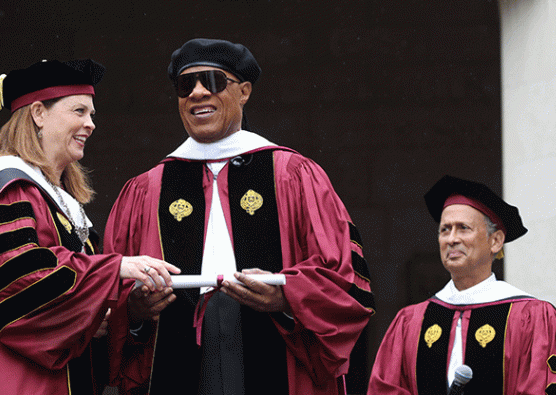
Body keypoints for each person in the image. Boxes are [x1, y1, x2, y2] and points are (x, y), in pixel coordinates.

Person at [104, 38, 375, 395]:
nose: (198, 93)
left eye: (214, 81)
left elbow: (345, 279)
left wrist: (286, 296)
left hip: (275, 344)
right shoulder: (146, 190)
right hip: (175, 349)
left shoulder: (292, 175)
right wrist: (136, 311)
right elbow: (108, 288)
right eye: (186, 86)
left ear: (244, 91)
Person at [0, 59, 180, 395]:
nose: (91, 124)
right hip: (14, 384)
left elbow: (73, 312)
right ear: (38, 114)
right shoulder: (10, 190)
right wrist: (115, 268)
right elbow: (19, 287)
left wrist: (129, 310)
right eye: (79, 111)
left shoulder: (64, 206)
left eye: (91, 114)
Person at [368, 175, 556, 395]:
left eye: (463, 228)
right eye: (445, 230)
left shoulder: (532, 317)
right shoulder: (410, 322)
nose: (451, 239)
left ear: (495, 241)